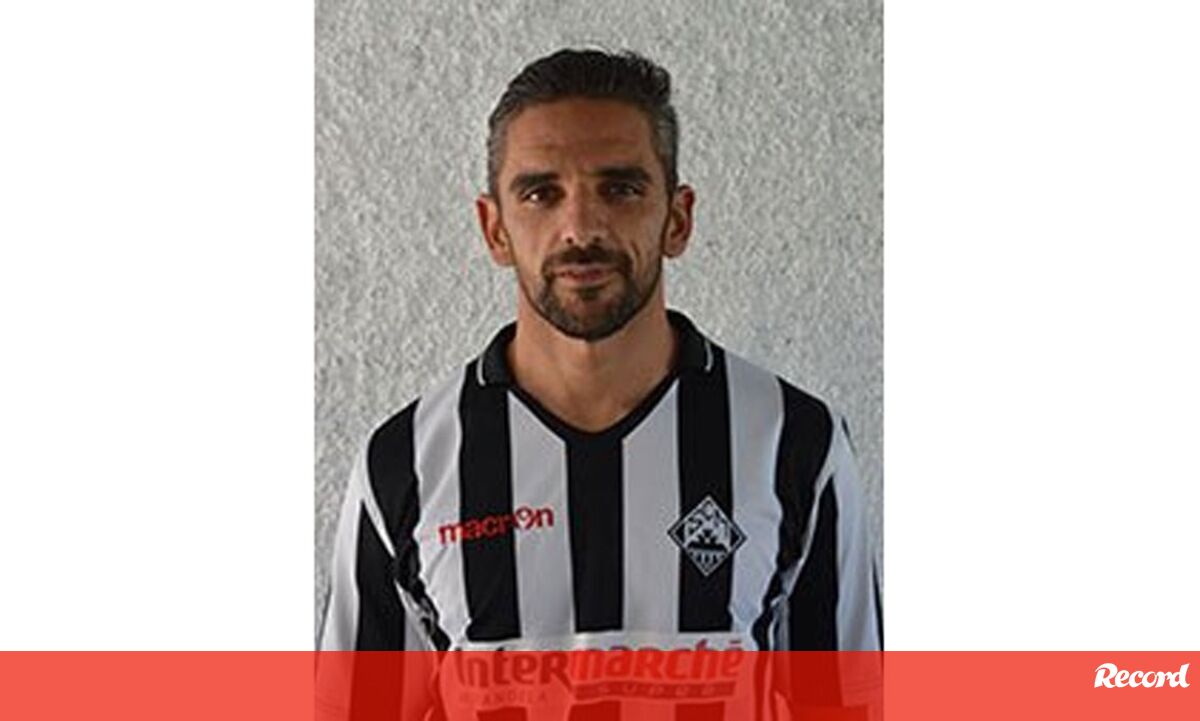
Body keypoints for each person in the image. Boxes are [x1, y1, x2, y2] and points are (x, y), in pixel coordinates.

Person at [318, 47, 881, 720]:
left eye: (620, 189)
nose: (581, 228)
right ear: (494, 229)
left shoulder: (792, 440)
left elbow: (849, 705)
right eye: (541, 193)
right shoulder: (406, 461)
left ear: (678, 219)